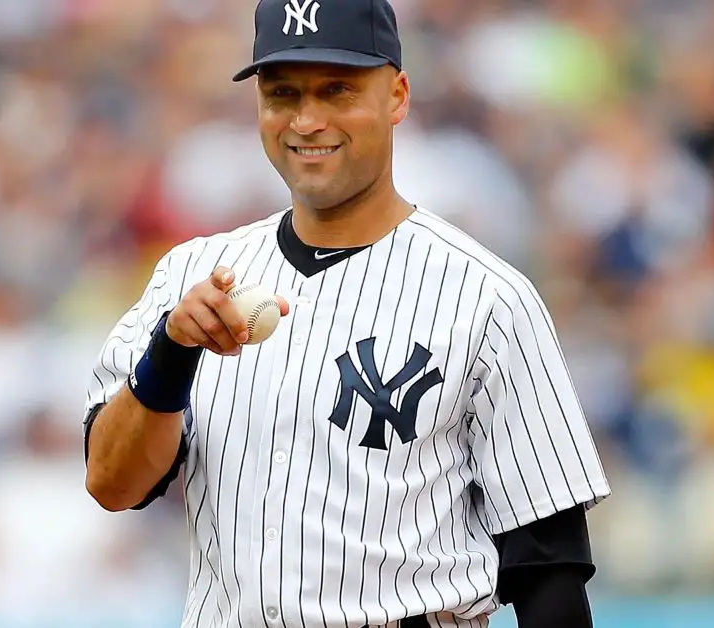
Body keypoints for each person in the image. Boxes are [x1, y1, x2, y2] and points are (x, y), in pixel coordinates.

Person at [83, 0, 611, 626]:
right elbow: (113, 485)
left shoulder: (487, 297)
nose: (306, 120)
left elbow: (547, 566)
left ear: (397, 95)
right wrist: (170, 355)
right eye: (283, 94)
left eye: (337, 90)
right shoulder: (190, 276)